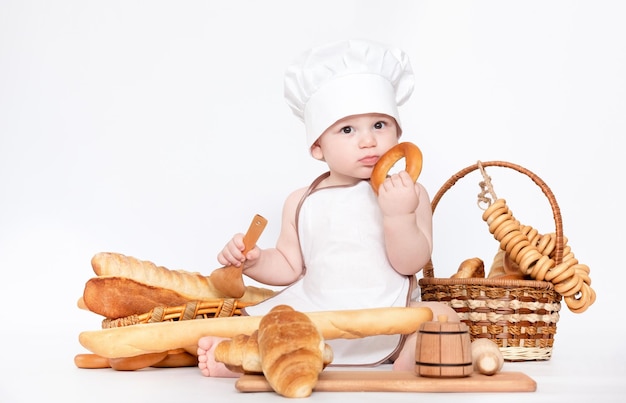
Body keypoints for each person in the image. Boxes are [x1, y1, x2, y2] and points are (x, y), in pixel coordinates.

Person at [197, 39, 458, 377]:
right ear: (318, 147)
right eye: (347, 129)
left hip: (386, 314)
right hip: (317, 311)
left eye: (380, 125)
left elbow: (409, 263)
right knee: (274, 325)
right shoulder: (301, 200)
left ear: (398, 132)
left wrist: (399, 215)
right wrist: (256, 260)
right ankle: (242, 357)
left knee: (441, 315)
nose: (368, 141)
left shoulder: (409, 192)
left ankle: (407, 363)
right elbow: (290, 266)